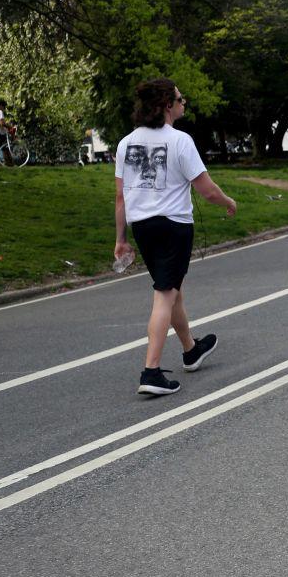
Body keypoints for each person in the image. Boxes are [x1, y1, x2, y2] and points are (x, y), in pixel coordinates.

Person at [113, 78, 236, 397]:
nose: (184, 103)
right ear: (167, 105)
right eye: (181, 99)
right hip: (173, 226)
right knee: (165, 293)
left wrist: (121, 239)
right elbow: (206, 190)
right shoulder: (180, 141)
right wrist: (228, 202)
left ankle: (191, 349)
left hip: (142, 227)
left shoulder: (126, 143)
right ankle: (151, 371)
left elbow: (121, 198)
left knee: (172, 288)